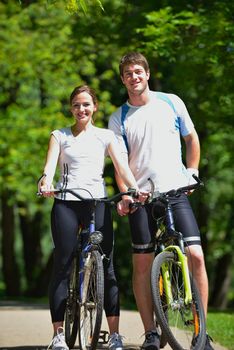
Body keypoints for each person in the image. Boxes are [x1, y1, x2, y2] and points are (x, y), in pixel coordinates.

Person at [108, 52, 214, 350]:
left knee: (195, 255)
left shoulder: (171, 101)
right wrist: (128, 192)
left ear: (148, 73)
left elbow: (191, 138)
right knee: (142, 262)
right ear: (123, 79)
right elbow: (121, 164)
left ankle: (200, 330)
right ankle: (151, 332)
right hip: (141, 196)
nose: (134, 77)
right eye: (128, 73)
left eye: (138, 71)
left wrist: (192, 171)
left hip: (175, 191)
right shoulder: (119, 117)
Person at [38, 85, 147, 350]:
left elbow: (121, 167)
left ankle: (114, 335)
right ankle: (59, 335)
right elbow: (49, 166)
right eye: (76, 105)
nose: (81, 109)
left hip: (97, 203)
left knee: (106, 266)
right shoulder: (60, 135)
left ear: (94, 107)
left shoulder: (105, 136)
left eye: (86, 104)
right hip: (66, 202)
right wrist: (45, 182)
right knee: (62, 265)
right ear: (71, 108)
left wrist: (134, 189)